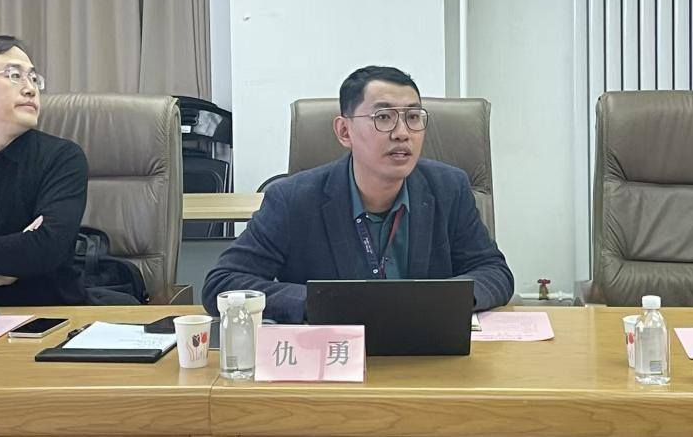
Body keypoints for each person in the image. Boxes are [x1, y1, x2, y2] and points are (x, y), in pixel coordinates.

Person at [203, 65, 514, 323]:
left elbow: (494, 272)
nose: (402, 133)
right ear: (344, 131)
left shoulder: (448, 188)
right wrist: (322, 302)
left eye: (413, 117)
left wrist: (441, 300)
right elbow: (223, 283)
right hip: (331, 357)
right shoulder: (293, 199)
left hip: (428, 354)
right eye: (383, 117)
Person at [0, 35, 88, 305]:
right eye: (14, 75)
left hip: (51, 314)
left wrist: (29, 250)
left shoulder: (62, 157)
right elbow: (25, 252)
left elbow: (45, 249)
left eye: (33, 78)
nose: (30, 89)